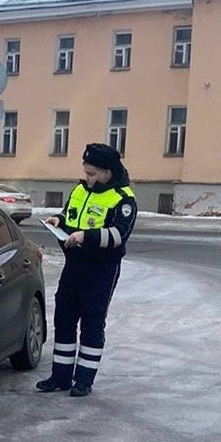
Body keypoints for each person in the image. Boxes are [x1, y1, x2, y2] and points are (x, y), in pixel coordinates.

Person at [37, 143, 137, 397]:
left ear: (108, 172)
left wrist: (85, 237)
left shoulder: (123, 199)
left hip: (101, 269)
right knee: (64, 319)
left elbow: (118, 235)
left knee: (92, 323)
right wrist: (58, 220)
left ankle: (83, 380)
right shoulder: (80, 190)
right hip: (74, 266)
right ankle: (60, 377)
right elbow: (69, 214)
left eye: (92, 173)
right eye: (86, 172)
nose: (87, 178)